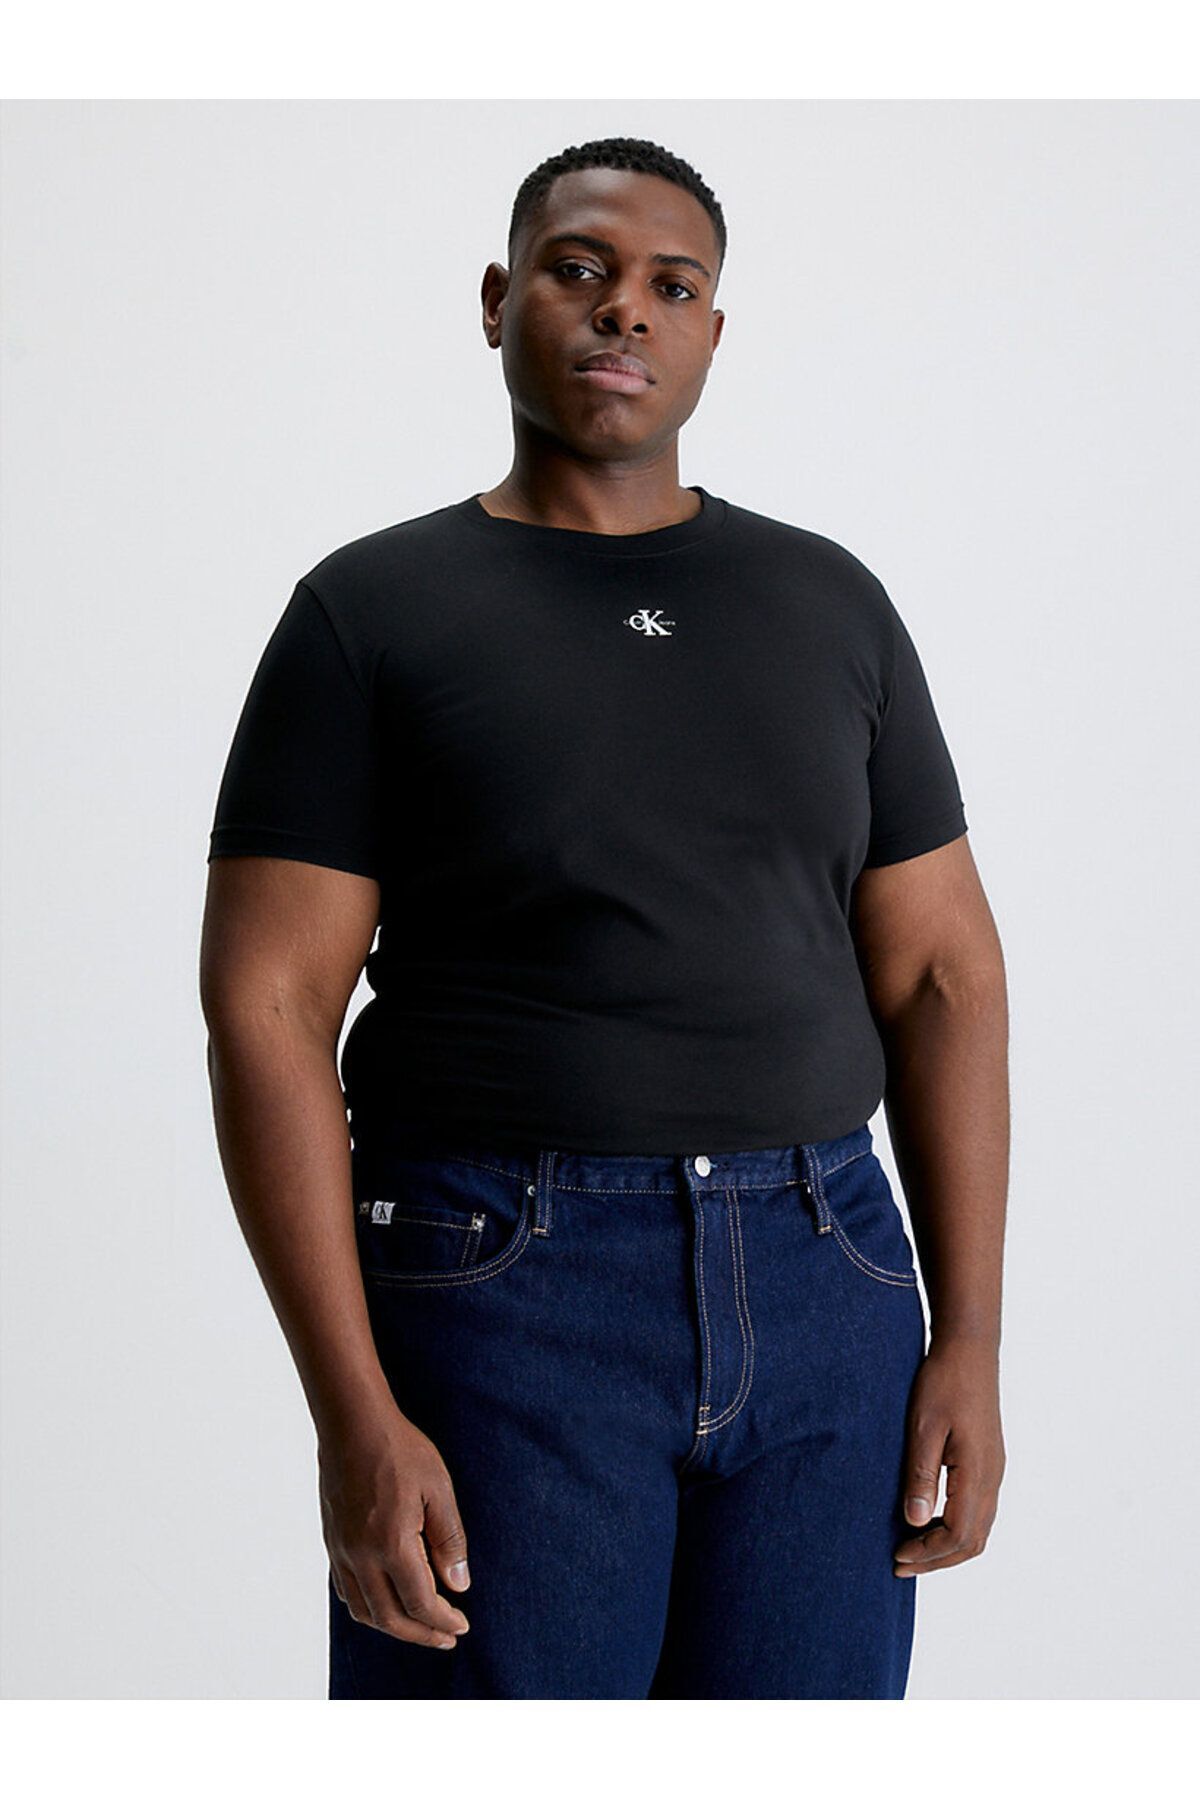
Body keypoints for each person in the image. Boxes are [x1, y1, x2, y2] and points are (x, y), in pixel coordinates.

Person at [199, 136, 1008, 1700]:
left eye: (670, 285)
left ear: (713, 331)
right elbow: (269, 1008)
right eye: (578, 270)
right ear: (497, 300)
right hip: (502, 1278)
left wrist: (967, 1334)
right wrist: (352, 1414)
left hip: (827, 1271)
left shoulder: (828, 603)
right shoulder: (372, 613)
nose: (623, 309)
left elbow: (942, 975)